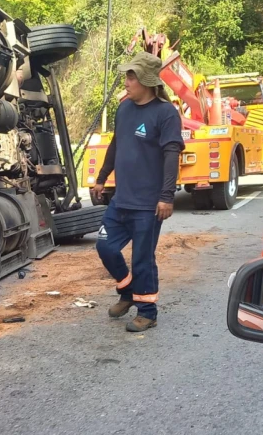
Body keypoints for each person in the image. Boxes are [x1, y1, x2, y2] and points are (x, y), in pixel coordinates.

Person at [93, 51, 184, 332]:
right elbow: (116, 145)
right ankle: (128, 290)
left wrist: (166, 197)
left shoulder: (166, 113)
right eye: (127, 76)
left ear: (146, 80)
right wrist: (101, 178)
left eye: (131, 76)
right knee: (105, 246)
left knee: (143, 258)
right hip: (121, 201)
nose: (127, 81)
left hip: (148, 205)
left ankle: (147, 311)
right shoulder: (124, 109)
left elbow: (171, 156)